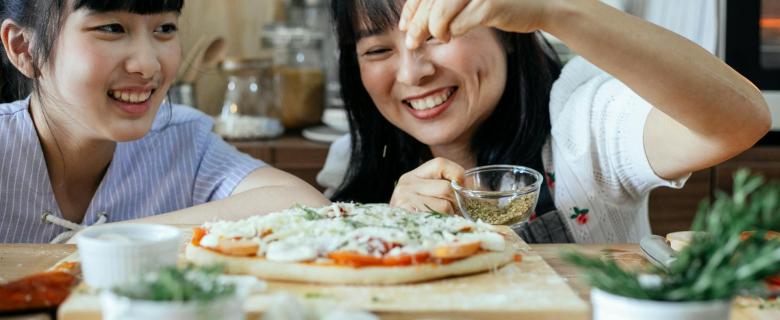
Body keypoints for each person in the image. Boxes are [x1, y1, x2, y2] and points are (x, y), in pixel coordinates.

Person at [320, 0, 771, 243]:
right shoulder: (352, 168)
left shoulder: (580, 124)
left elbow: (739, 122)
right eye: (378, 50)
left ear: (510, 33)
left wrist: (555, 9)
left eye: (440, 33)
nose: (412, 73)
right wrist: (389, 235)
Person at [0, 0, 329, 243]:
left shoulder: (183, 140)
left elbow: (306, 207)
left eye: (165, 29)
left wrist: (122, 237)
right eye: (111, 28)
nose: (147, 64)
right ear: (23, 48)